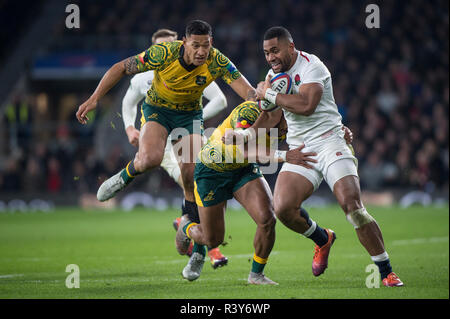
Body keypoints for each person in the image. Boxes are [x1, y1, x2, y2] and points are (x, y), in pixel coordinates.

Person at [229, 26, 403, 287]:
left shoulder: (313, 66)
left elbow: (307, 106)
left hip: (330, 141)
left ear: (291, 46)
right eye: (266, 53)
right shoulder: (272, 75)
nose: (271, 57)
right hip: (301, 149)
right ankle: (323, 238)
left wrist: (270, 93)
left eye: (275, 51)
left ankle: (386, 271)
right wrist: (247, 135)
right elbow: (271, 114)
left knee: (352, 207)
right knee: (284, 209)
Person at [76, 20, 256, 267]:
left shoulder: (217, 60)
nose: (201, 51)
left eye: (206, 45)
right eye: (196, 46)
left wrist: (264, 101)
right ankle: (125, 176)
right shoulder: (164, 53)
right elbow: (120, 68)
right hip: (158, 111)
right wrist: (95, 98)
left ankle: (190, 232)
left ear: (211, 43)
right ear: (185, 42)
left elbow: (247, 91)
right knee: (150, 159)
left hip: (190, 115)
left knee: (193, 175)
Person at [175, 100, 318, 284]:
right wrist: (285, 156)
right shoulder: (249, 111)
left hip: (242, 169)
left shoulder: (291, 118)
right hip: (212, 171)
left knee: (267, 219)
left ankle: (256, 275)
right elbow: (246, 150)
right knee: (212, 240)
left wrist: (340, 133)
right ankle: (186, 225)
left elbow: (318, 128)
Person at [121, 28, 229, 268]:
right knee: (195, 184)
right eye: (159, 47)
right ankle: (208, 247)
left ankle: (188, 225)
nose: (165, 51)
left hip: (186, 136)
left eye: (170, 45)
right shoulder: (142, 78)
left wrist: (193, 120)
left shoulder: (195, 68)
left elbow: (220, 100)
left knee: (200, 184)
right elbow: (128, 103)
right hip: (162, 144)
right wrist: (130, 128)